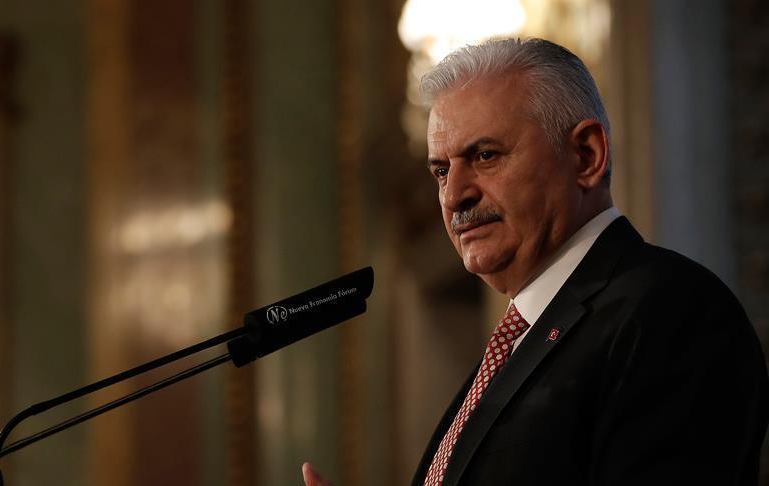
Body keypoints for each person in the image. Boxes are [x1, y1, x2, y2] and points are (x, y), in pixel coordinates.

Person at [303, 38, 769, 486]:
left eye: (485, 155)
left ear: (586, 156)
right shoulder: (520, 340)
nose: (452, 195)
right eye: (441, 171)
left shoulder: (670, 311)